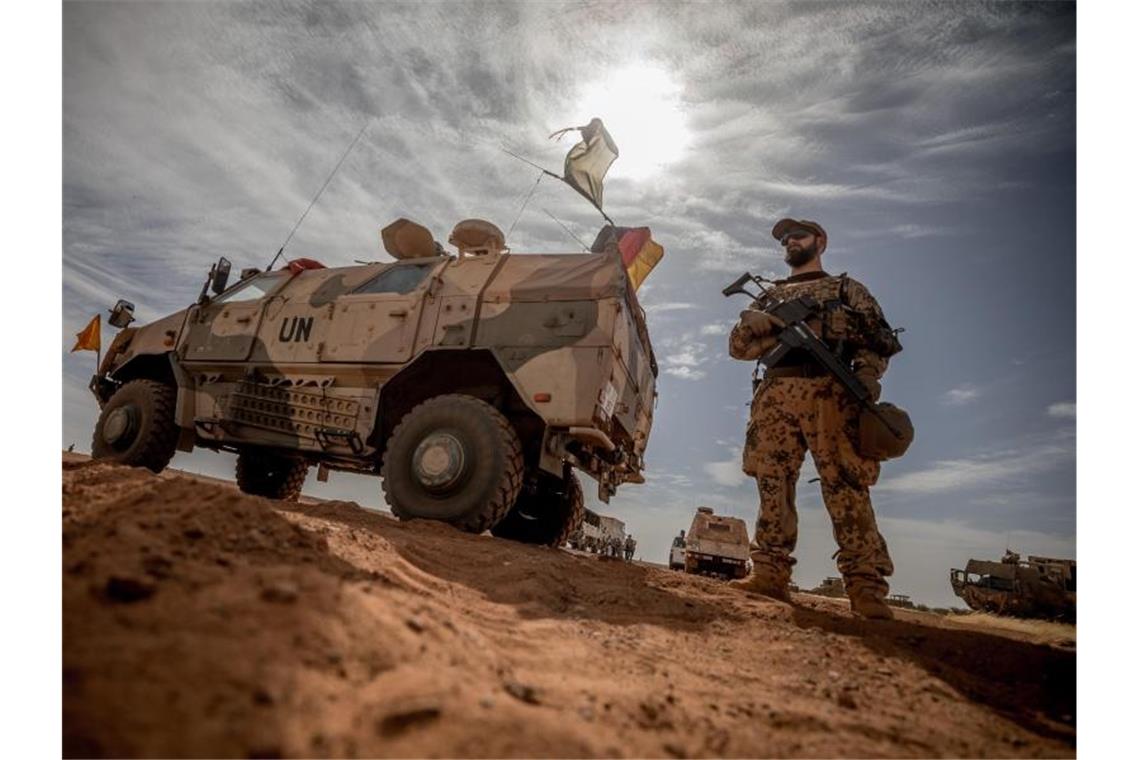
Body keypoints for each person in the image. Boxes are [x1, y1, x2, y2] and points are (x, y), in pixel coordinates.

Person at [727, 218, 902, 620]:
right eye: (785, 238)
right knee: (772, 480)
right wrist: (754, 324)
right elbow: (738, 349)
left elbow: (878, 339)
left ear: (819, 242)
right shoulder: (768, 294)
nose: (790, 242)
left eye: (798, 236)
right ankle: (769, 572)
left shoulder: (846, 288)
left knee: (845, 484)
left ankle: (865, 586)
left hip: (831, 392)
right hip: (776, 394)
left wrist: (867, 375)